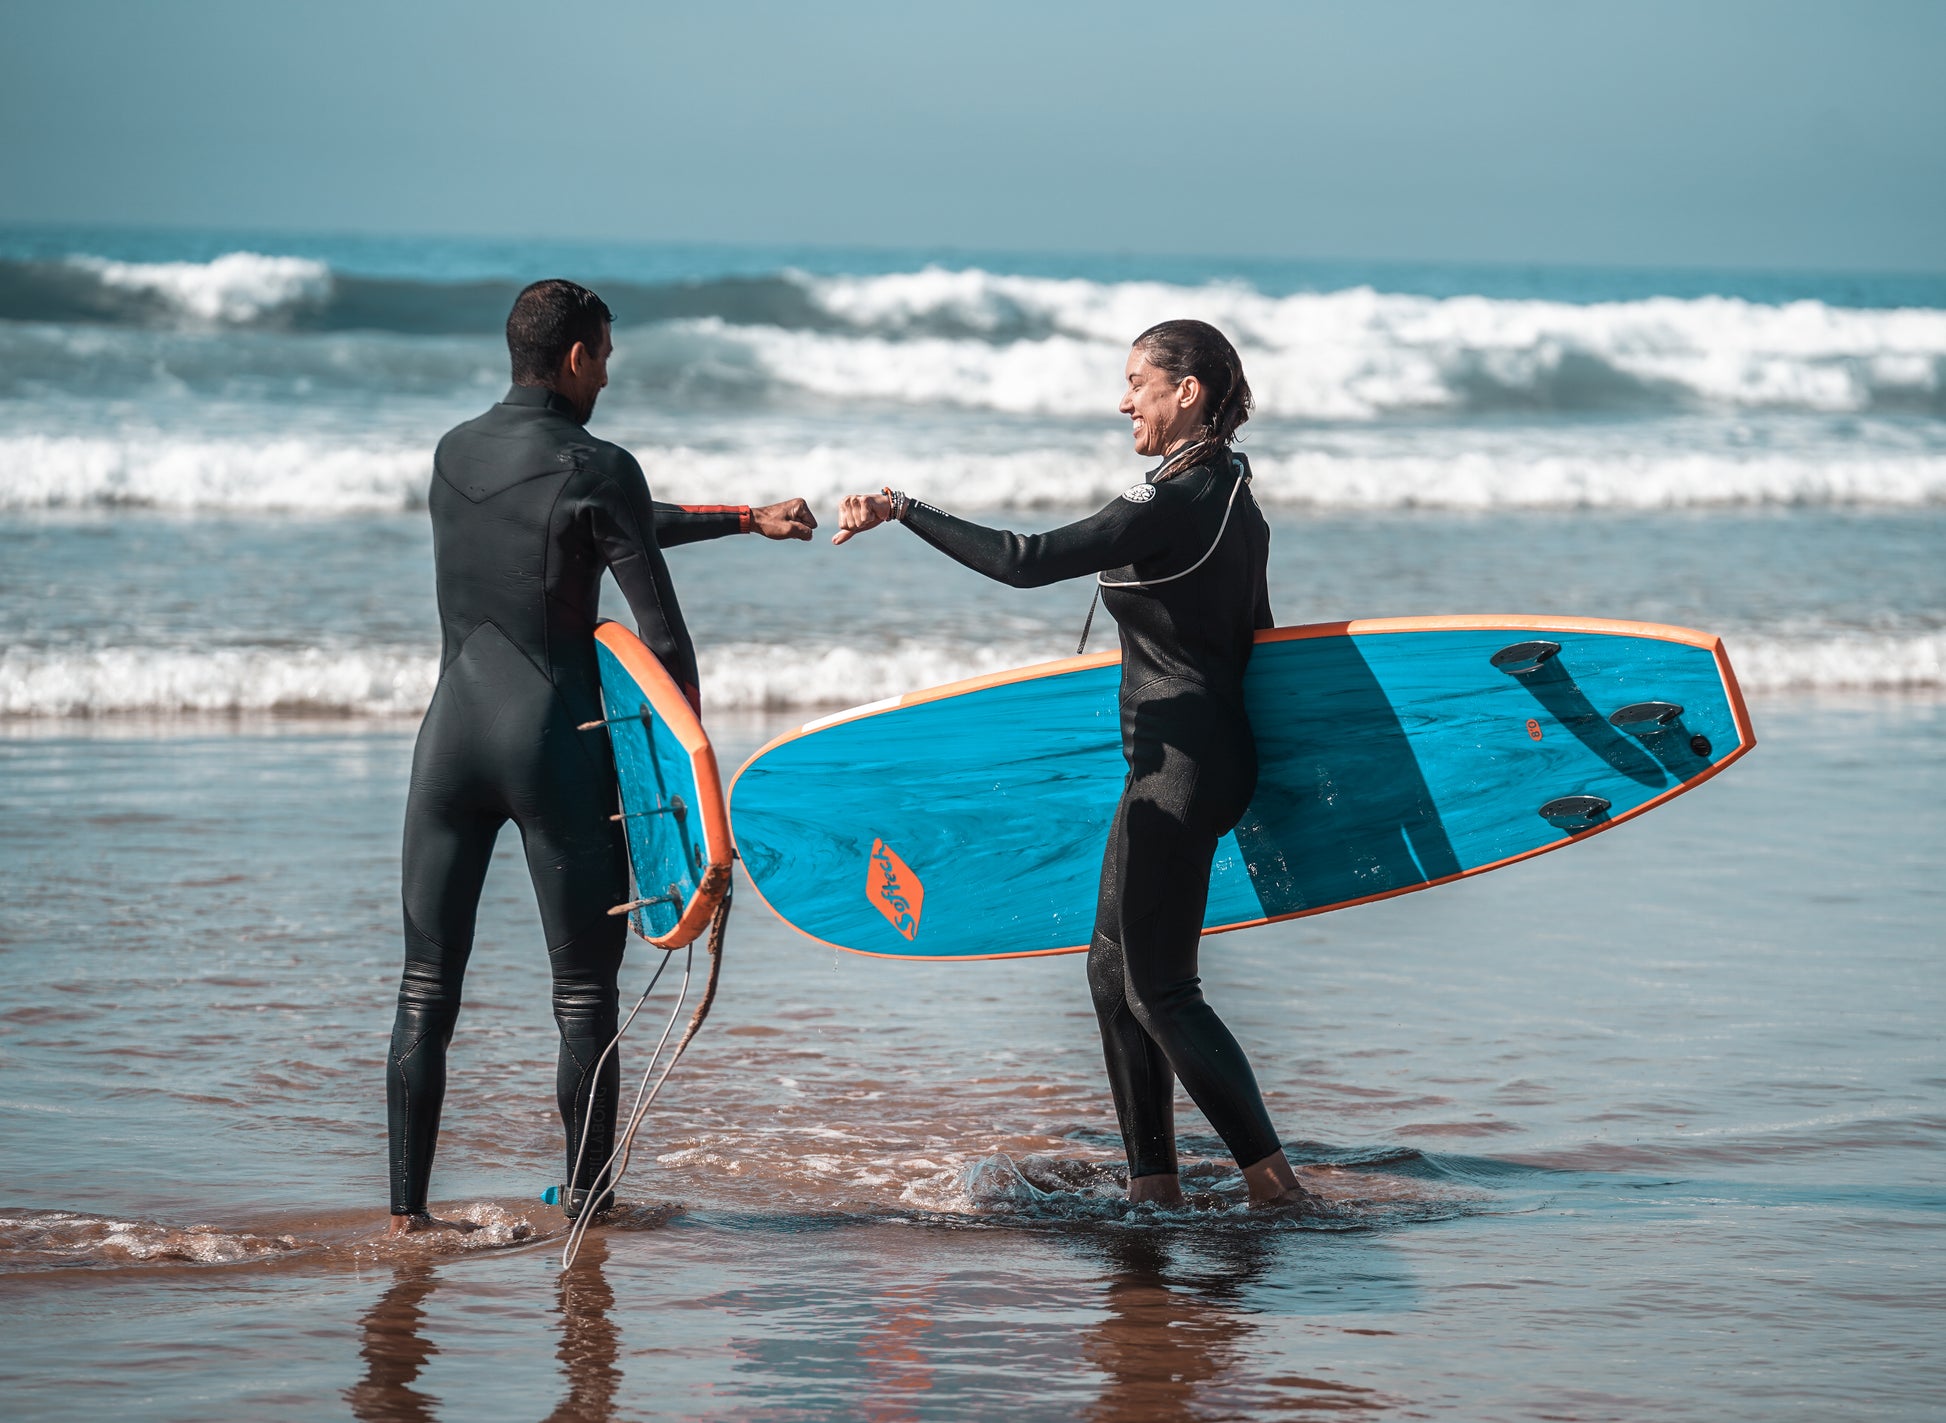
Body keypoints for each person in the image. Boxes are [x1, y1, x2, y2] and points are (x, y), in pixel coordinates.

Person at [833, 320, 1305, 1208]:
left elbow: (1027, 560)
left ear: (1188, 391)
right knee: (1110, 975)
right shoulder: (1231, 495)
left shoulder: (1177, 498)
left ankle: (1277, 1187)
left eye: (1138, 381)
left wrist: (904, 507)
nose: (1124, 399)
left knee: (1162, 988)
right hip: (1189, 759)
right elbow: (1260, 640)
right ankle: (1152, 1188)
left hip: (1183, 769)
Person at [387, 279, 816, 1234]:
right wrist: (691, 788)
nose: (610, 374)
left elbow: (598, 512)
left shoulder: (454, 451)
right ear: (578, 356)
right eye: (607, 357)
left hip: (448, 742)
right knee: (584, 995)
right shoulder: (599, 463)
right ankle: (589, 1211)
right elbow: (660, 633)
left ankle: (403, 1220)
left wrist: (747, 517)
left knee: (426, 985)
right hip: (554, 744)